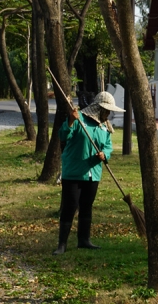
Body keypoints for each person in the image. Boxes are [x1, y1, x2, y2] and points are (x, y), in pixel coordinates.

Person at [52, 91, 124, 255]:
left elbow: (107, 146)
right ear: (98, 109)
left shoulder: (104, 126)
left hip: (94, 173)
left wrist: (104, 155)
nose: (109, 114)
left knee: (86, 206)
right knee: (70, 207)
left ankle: (84, 240)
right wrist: (70, 120)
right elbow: (63, 135)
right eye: (107, 110)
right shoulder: (80, 120)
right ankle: (61, 244)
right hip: (75, 173)